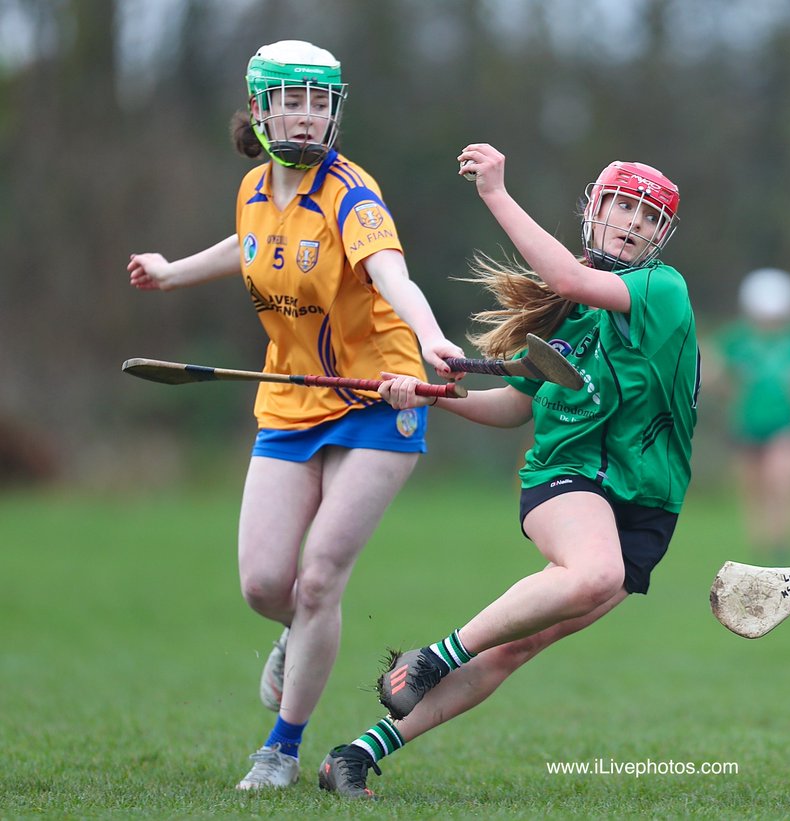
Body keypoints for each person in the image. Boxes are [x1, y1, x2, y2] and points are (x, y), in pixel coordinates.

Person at [126, 40, 464, 790]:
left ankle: (279, 749)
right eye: (292, 101)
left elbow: (391, 275)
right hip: (288, 394)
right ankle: (298, 634)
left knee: (318, 582)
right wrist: (172, 272)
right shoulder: (253, 187)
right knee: (263, 585)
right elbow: (253, 243)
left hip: (383, 395)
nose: (307, 117)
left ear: (334, 109)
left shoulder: (353, 194)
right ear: (261, 108)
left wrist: (433, 339)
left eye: (320, 102)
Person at [316, 144, 698, 798]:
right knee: (595, 570)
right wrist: (436, 394)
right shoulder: (565, 310)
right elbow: (519, 407)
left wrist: (497, 194)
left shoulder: (660, 290)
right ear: (594, 210)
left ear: (662, 235)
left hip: (648, 506)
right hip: (567, 476)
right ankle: (433, 658)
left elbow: (574, 284)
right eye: (622, 206)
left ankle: (354, 754)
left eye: (648, 216)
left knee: (516, 648)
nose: (633, 222)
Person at [711, 268, 790, 559]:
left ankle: (786, 539)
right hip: (747, 422)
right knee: (753, 487)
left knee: (784, 480)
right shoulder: (737, 338)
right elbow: (710, 366)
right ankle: (760, 545)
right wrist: (731, 391)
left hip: (788, 422)